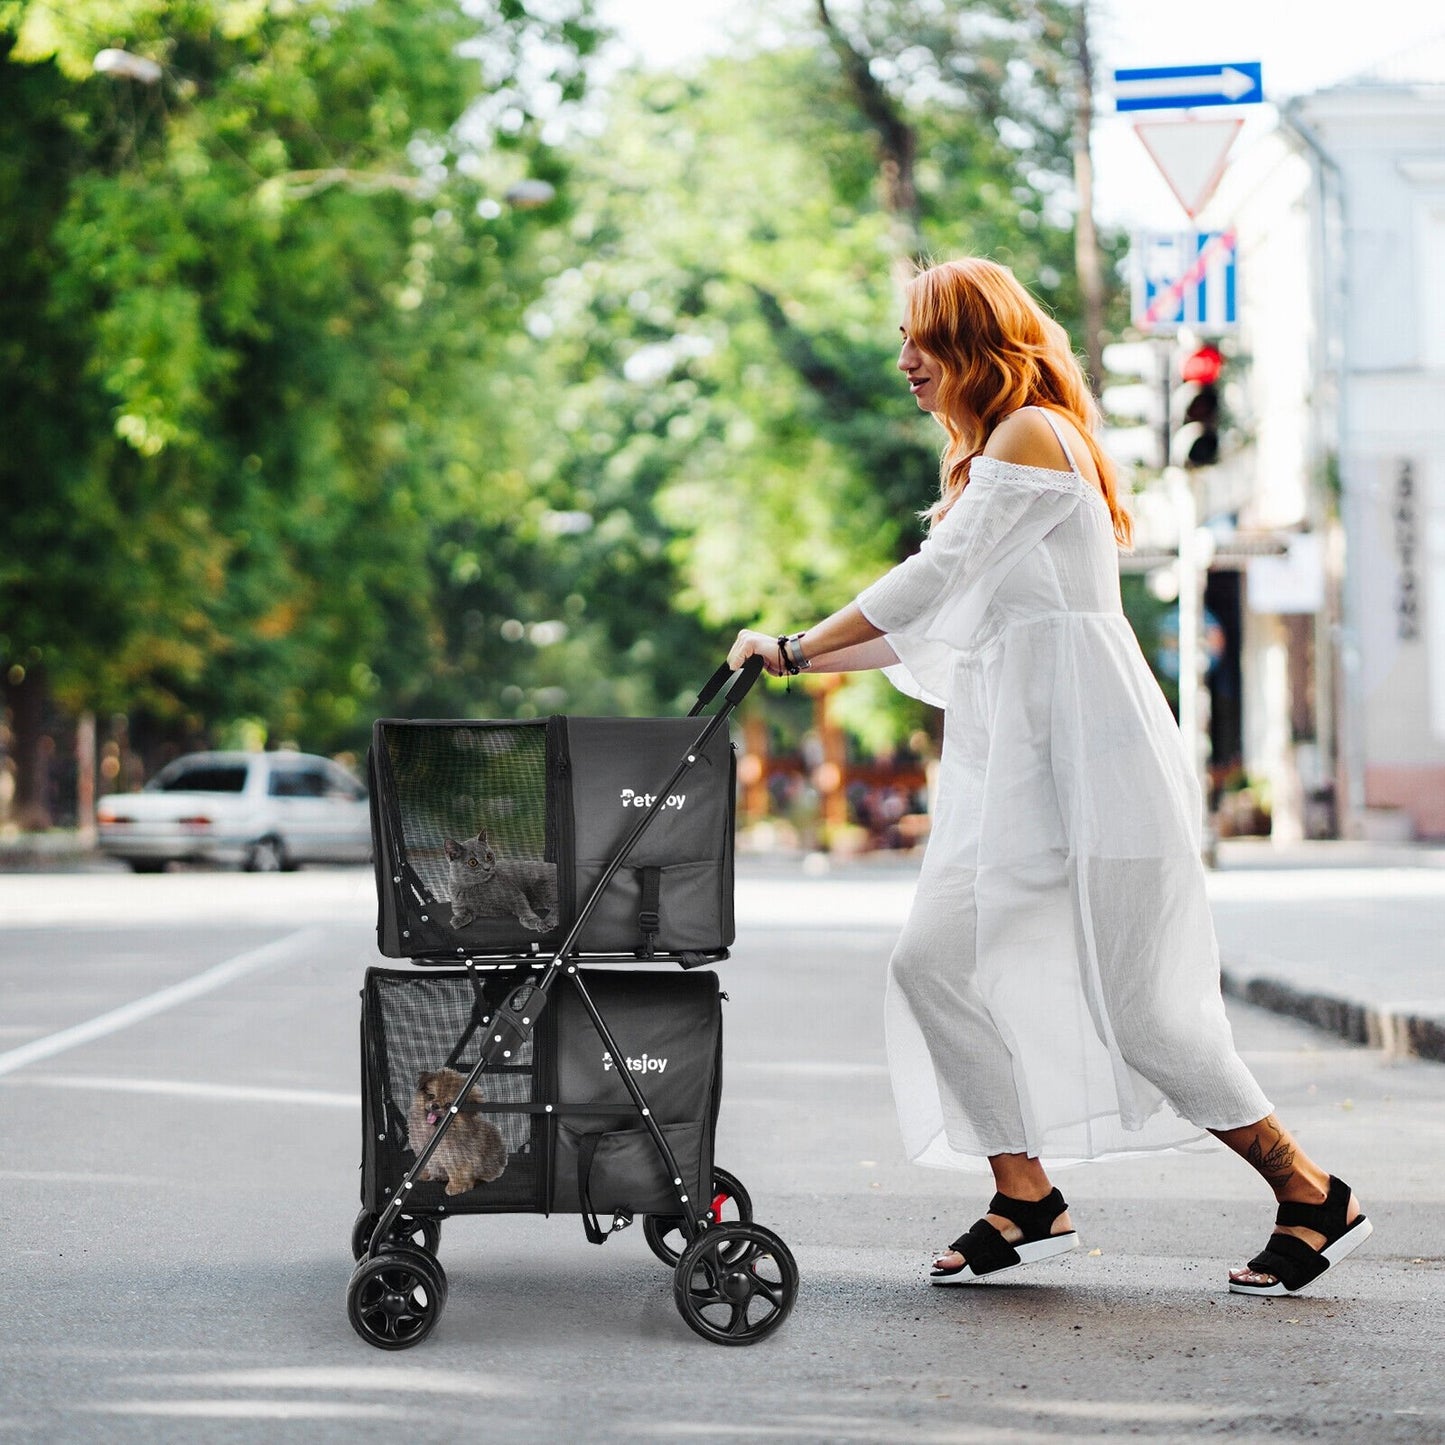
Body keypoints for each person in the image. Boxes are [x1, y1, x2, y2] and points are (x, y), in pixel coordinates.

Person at [726, 257, 1371, 1296]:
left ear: (976, 344)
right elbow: (923, 626)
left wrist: (797, 642)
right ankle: (1022, 1191)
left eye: (920, 342)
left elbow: (928, 580)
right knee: (931, 960)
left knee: (1141, 1001)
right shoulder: (992, 458)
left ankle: (1307, 1189)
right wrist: (788, 661)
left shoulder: (1030, 434)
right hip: (1010, 763)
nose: (903, 363)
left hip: (1089, 754)